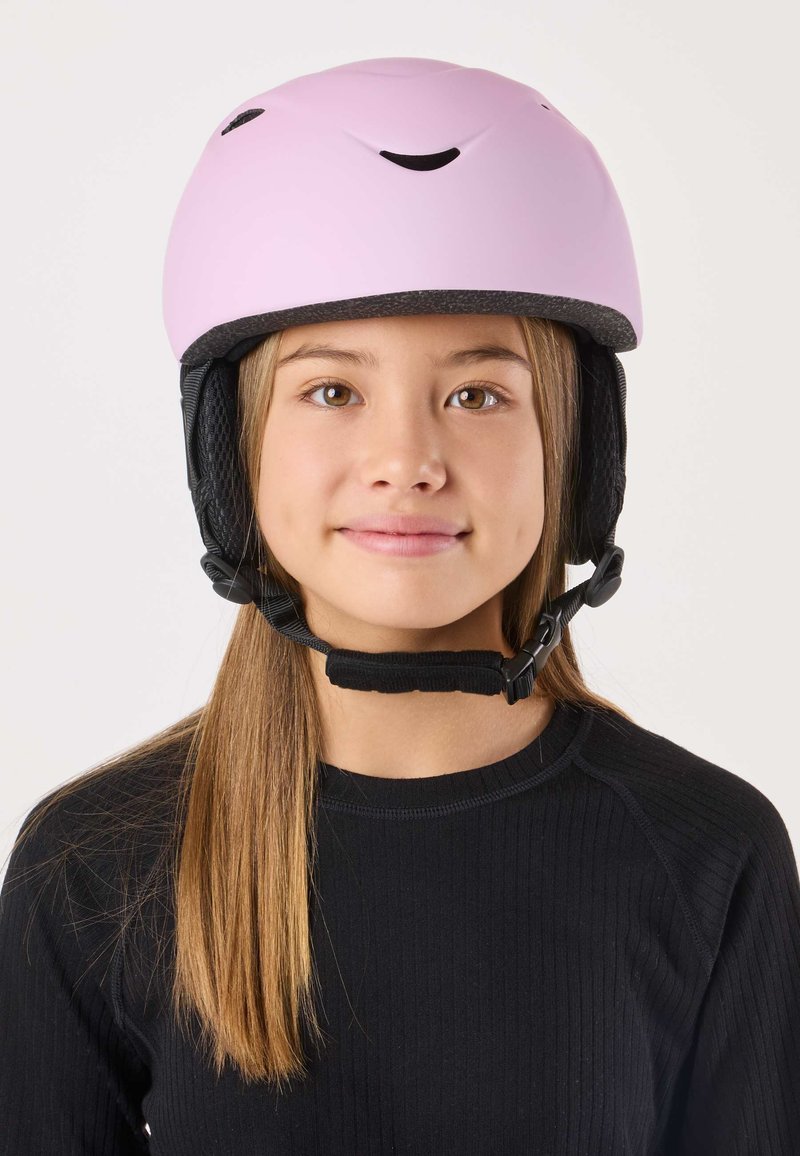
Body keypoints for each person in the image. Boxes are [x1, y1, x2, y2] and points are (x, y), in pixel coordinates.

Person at [1, 56, 798, 1155]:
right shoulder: (94, 868)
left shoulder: (707, 854)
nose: (406, 458)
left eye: (477, 393)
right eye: (332, 390)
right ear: (230, 458)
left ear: (577, 454)